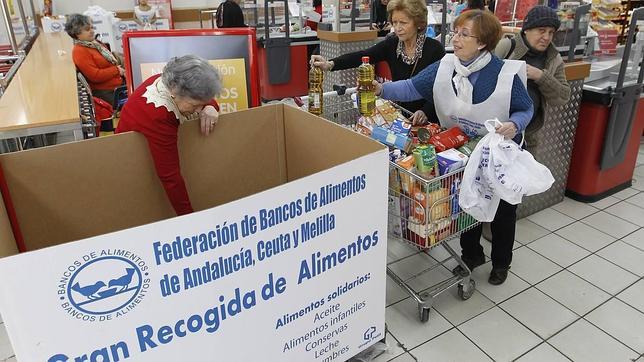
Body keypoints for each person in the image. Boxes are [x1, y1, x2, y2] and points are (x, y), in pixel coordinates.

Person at [373, 10, 533, 285]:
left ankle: (501, 263)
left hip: (499, 154)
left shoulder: (503, 73)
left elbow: (524, 108)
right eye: (455, 32)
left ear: (482, 43)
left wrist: (515, 125)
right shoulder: (446, 66)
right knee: (466, 203)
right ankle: (471, 255)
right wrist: (382, 90)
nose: (455, 39)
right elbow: (412, 88)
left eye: (464, 34)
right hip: (462, 150)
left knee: (503, 211)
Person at [115, 55, 222, 216]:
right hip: (129, 166)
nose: (199, 110)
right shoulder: (158, 114)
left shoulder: (171, 81)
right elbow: (170, 177)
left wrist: (210, 105)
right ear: (174, 93)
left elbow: (202, 97)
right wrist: (189, 218)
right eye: (195, 105)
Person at [311, 0, 445, 125]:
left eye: (403, 23)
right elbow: (362, 55)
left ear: (418, 23)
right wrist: (330, 64)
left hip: (427, 121)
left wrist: (425, 111)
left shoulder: (434, 49)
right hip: (401, 116)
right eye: (395, 22)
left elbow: (442, 89)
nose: (398, 28)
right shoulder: (392, 44)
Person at [495, 5, 570, 150]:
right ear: (527, 29)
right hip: (497, 131)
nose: (546, 37)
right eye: (541, 31)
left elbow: (563, 97)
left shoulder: (554, 58)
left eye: (551, 32)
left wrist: (541, 76)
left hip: (529, 137)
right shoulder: (506, 47)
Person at [65, 14, 125, 105]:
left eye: (92, 28)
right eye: (87, 29)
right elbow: (95, 76)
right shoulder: (79, 51)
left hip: (118, 85)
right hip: (107, 93)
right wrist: (117, 70)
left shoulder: (94, 43)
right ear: (77, 33)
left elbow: (111, 61)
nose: (92, 31)